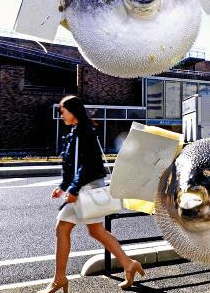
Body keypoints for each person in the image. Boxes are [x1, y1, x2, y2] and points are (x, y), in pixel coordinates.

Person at [39, 95, 144, 293]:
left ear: (73, 111)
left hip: (87, 187)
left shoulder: (84, 132)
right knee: (95, 231)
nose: (62, 114)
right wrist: (63, 186)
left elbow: (87, 165)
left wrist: (73, 189)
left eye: (64, 110)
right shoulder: (76, 132)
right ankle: (128, 264)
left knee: (63, 228)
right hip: (84, 186)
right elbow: (72, 165)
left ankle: (59, 279)